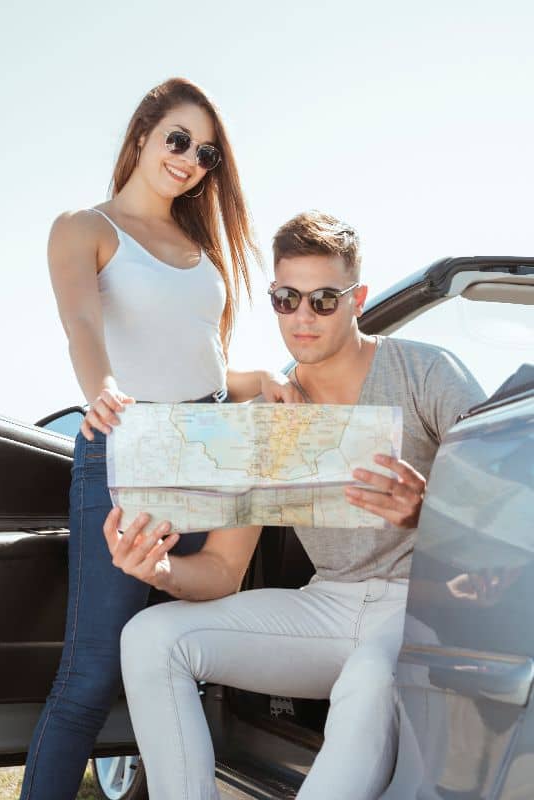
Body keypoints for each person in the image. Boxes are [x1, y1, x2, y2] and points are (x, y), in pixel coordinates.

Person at [104, 211, 487, 800]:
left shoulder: (424, 370)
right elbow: (222, 572)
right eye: (286, 298)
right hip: (328, 605)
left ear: (357, 299)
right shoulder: (273, 413)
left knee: (368, 677)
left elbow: (509, 498)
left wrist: (430, 509)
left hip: (423, 604)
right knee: (150, 637)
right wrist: (159, 570)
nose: (302, 317)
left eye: (323, 299)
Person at [19, 77, 300, 800]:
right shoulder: (84, 227)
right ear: (143, 133)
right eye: (177, 138)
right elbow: (82, 324)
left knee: (192, 658)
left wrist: (253, 379)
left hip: (211, 446)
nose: (190, 159)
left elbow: (198, 359)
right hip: (129, 445)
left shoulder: (197, 245)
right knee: (90, 674)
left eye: (206, 152)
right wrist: (100, 387)